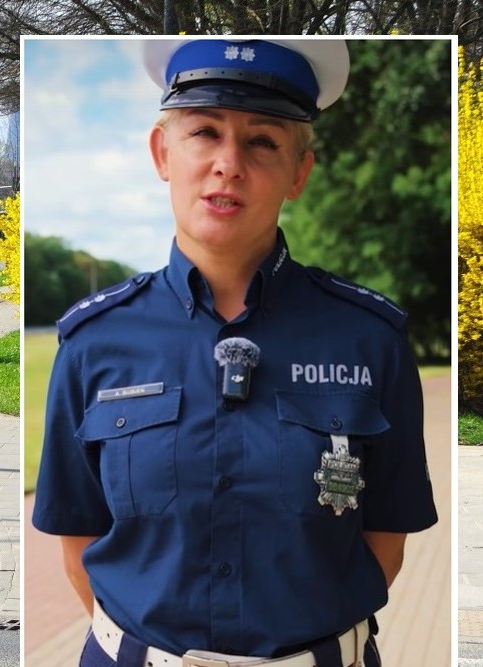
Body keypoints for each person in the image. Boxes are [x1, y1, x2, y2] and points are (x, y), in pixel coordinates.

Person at [31, 39, 438, 667]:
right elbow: (78, 536)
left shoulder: (368, 339)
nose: (228, 164)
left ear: (299, 173)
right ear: (163, 153)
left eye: (262, 141)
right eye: (203, 132)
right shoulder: (95, 343)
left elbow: (387, 533)